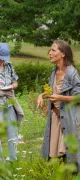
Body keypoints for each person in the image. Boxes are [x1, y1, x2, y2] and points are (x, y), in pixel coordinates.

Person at [37, 40, 80, 172]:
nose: (49, 53)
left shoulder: (72, 73)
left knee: (71, 150)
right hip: (56, 115)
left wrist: (60, 97)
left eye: (53, 50)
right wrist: (41, 96)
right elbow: (52, 90)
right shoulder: (54, 71)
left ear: (63, 54)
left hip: (69, 117)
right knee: (55, 147)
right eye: (50, 50)